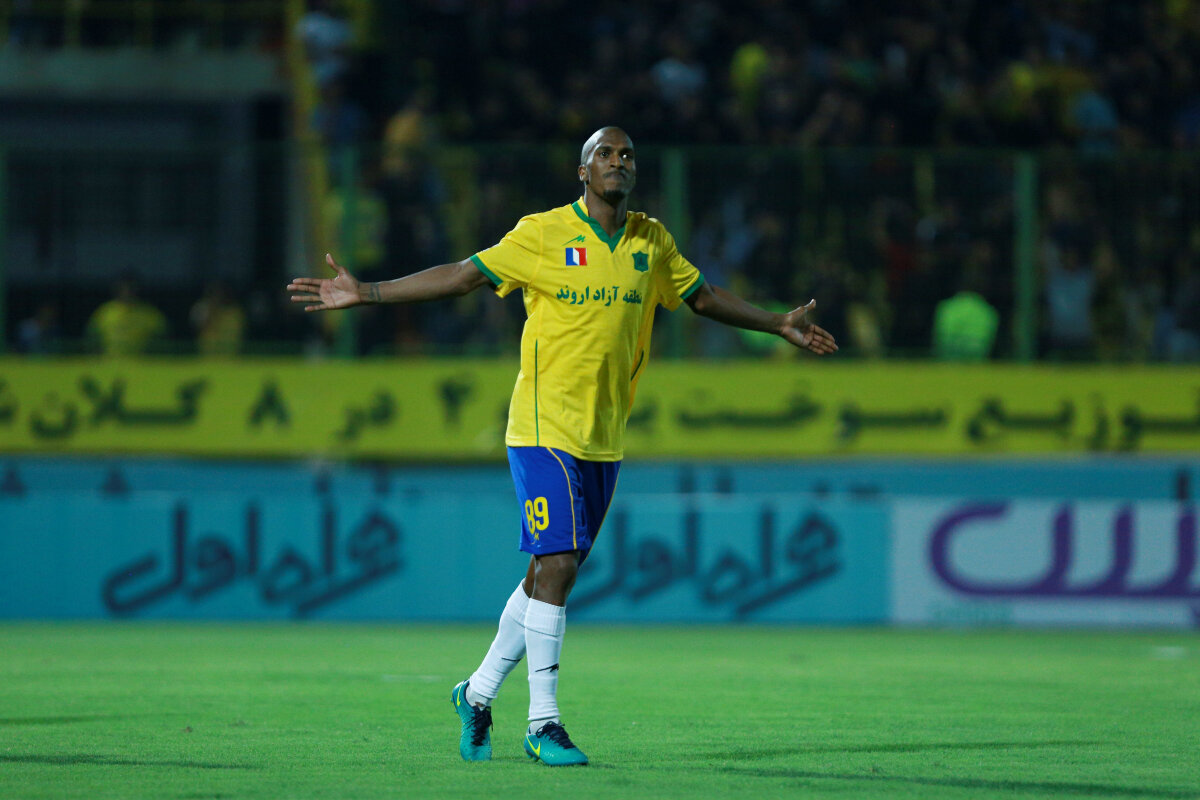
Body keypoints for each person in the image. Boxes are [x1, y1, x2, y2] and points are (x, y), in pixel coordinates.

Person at [286, 127, 837, 766]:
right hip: (542, 428)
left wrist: (775, 323)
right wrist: (369, 292)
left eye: (627, 155)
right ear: (583, 171)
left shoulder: (652, 241)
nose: (618, 162)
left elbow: (703, 297)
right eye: (605, 153)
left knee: (545, 574)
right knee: (561, 565)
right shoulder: (543, 234)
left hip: (603, 437)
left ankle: (476, 692)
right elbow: (463, 277)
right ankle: (543, 723)